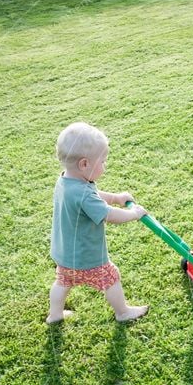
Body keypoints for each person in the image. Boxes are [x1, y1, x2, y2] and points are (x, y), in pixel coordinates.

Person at [46, 121, 149, 324]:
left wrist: (115, 197)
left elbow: (92, 196)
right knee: (111, 277)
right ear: (84, 164)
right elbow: (108, 215)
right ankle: (123, 312)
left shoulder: (66, 181)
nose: (105, 166)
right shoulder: (83, 192)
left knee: (62, 282)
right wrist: (133, 214)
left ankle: (55, 315)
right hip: (86, 256)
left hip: (65, 253)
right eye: (102, 162)